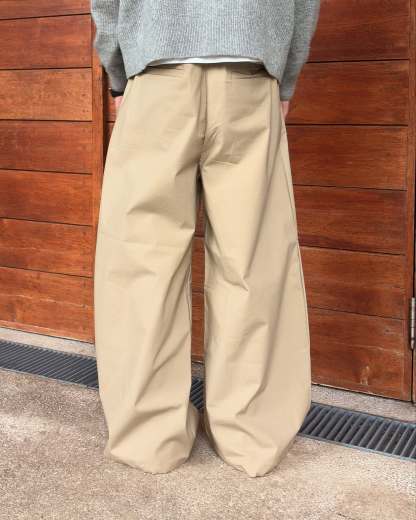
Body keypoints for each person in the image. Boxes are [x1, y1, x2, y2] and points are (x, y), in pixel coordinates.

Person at [91, 0, 321, 478]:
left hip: (155, 77)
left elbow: (106, 4)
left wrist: (118, 73)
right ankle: (250, 436)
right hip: (249, 74)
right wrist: (285, 75)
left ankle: (149, 439)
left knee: (142, 264)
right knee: (253, 261)